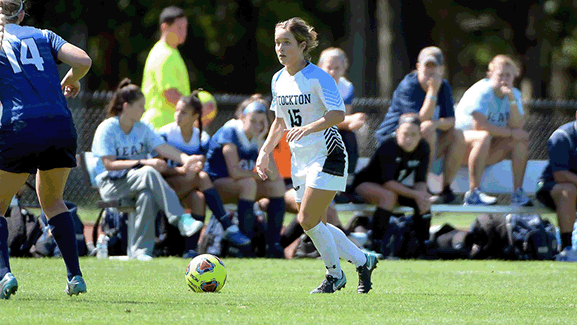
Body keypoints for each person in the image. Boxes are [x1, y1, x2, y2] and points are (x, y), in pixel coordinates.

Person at [256, 17, 377, 294]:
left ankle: (335, 276)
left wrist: (309, 127)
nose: (280, 48)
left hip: (328, 154)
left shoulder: (319, 77)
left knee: (306, 219)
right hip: (301, 159)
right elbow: (279, 122)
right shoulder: (278, 79)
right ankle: (363, 259)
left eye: (286, 42)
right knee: (316, 224)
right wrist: (265, 152)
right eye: (277, 43)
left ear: (302, 45)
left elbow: (338, 114)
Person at [0, 0, 92, 299]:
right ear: (22, 13)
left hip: (19, 128)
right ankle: (75, 277)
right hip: (59, 125)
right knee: (52, 201)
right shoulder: (43, 35)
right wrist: (71, 79)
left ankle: (4, 276)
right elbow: (84, 61)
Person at [91, 79, 205, 261]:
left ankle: (141, 252)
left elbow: (164, 148)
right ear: (126, 107)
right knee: (148, 172)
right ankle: (180, 218)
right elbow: (109, 164)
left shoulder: (142, 128)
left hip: (136, 183)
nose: (144, 110)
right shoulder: (107, 128)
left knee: (147, 194)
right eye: (140, 106)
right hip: (111, 185)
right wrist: (145, 162)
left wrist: (186, 159)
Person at [157, 91, 251, 257]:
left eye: (183, 112)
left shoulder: (202, 138)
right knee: (201, 177)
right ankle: (227, 225)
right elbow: (158, 169)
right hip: (165, 189)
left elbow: (202, 169)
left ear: (195, 116)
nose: (177, 115)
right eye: (176, 110)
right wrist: (181, 170)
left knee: (199, 198)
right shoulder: (165, 134)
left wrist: (195, 168)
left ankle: (191, 250)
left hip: (189, 185)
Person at [374, 46, 466, 204]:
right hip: (392, 145)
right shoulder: (408, 85)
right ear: (418, 67)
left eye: (434, 67)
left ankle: (446, 190)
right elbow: (417, 123)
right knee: (426, 130)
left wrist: (436, 123)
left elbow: (451, 122)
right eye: (426, 66)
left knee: (457, 134)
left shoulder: (443, 87)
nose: (430, 72)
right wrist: (432, 92)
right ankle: (423, 187)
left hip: (419, 146)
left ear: (441, 69)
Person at [204, 94, 286, 258]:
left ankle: (273, 245)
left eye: (261, 122)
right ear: (242, 117)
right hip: (216, 185)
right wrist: (261, 176)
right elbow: (234, 172)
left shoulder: (257, 137)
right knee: (248, 184)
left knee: (277, 187)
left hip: (243, 185)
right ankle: (245, 245)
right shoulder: (230, 132)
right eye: (253, 121)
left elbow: (275, 176)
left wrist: (262, 142)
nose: (257, 126)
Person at [455, 54, 532, 206]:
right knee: (483, 136)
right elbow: (480, 126)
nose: (504, 79)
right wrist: (510, 133)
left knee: (521, 138)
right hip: (458, 150)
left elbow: (518, 126)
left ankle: (518, 193)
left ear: (514, 76)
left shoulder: (514, 94)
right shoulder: (482, 91)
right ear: (491, 75)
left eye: (508, 75)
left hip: (485, 151)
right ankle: (473, 193)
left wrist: (511, 99)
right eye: (500, 75)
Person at [352, 114, 432, 256]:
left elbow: (420, 180)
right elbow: (387, 183)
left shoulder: (423, 147)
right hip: (365, 184)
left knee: (423, 201)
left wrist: (423, 197)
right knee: (388, 196)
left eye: (414, 134)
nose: (409, 139)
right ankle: (376, 244)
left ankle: (422, 247)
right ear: (397, 132)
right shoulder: (389, 146)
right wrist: (416, 194)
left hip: (393, 188)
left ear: (420, 134)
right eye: (405, 134)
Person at [317, 47, 367, 175]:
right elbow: (318, 118)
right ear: (320, 67)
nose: (332, 72)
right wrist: (350, 121)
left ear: (344, 69)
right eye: (329, 67)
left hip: (334, 126)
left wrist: (353, 121)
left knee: (350, 135)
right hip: (314, 129)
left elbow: (344, 116)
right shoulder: (313, 85)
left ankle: (348, 177)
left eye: (337, 68)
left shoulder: (346, 87)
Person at [141, 6, 190, 130]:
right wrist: (193, 110)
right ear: (164, 27)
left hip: (166, 124)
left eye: (185, 27)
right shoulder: (164, 54)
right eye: (179, 27)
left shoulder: (171, 52)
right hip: (161, 125)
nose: (183, 32)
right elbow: (169, 93)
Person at [535, 113, 577, 251]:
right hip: (552, 188)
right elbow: (560, 175)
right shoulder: (562, 136)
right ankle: (566, 248)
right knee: (568, 190)